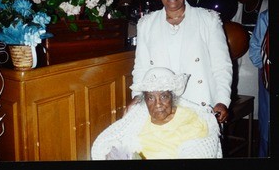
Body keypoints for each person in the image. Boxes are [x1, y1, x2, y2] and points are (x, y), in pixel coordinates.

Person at [126, 0, 233, 124]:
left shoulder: (208, 19)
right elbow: (141, 67)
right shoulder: (146, 23)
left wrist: (222, 100)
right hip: (162, 105)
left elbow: (221, 65)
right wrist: (137, 97)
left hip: (200, 103)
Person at [91, 67, 223, 160]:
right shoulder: (138, 118)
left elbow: (197, 154)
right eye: (151, 98)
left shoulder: (191, 119)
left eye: (164, 96)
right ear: (144, 100)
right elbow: (112, 141)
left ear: (173, 97)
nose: (158, 104)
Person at [248, 9, 269, 157]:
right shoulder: (267, 16)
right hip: (269, 79)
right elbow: (256, 47)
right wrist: (265, 69)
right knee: (267, 127)